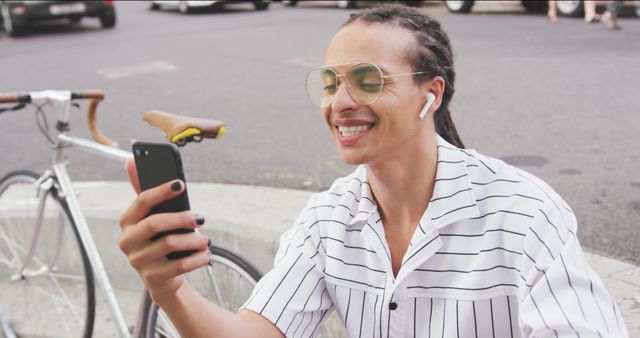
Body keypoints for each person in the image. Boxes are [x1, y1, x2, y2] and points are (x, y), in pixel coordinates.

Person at [118, 4, 629, 337]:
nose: (340, 103)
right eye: (329, 82)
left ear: (430, 94)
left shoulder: (521, 214)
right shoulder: (327, 220)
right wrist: (171, 290)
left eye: (367, 80)